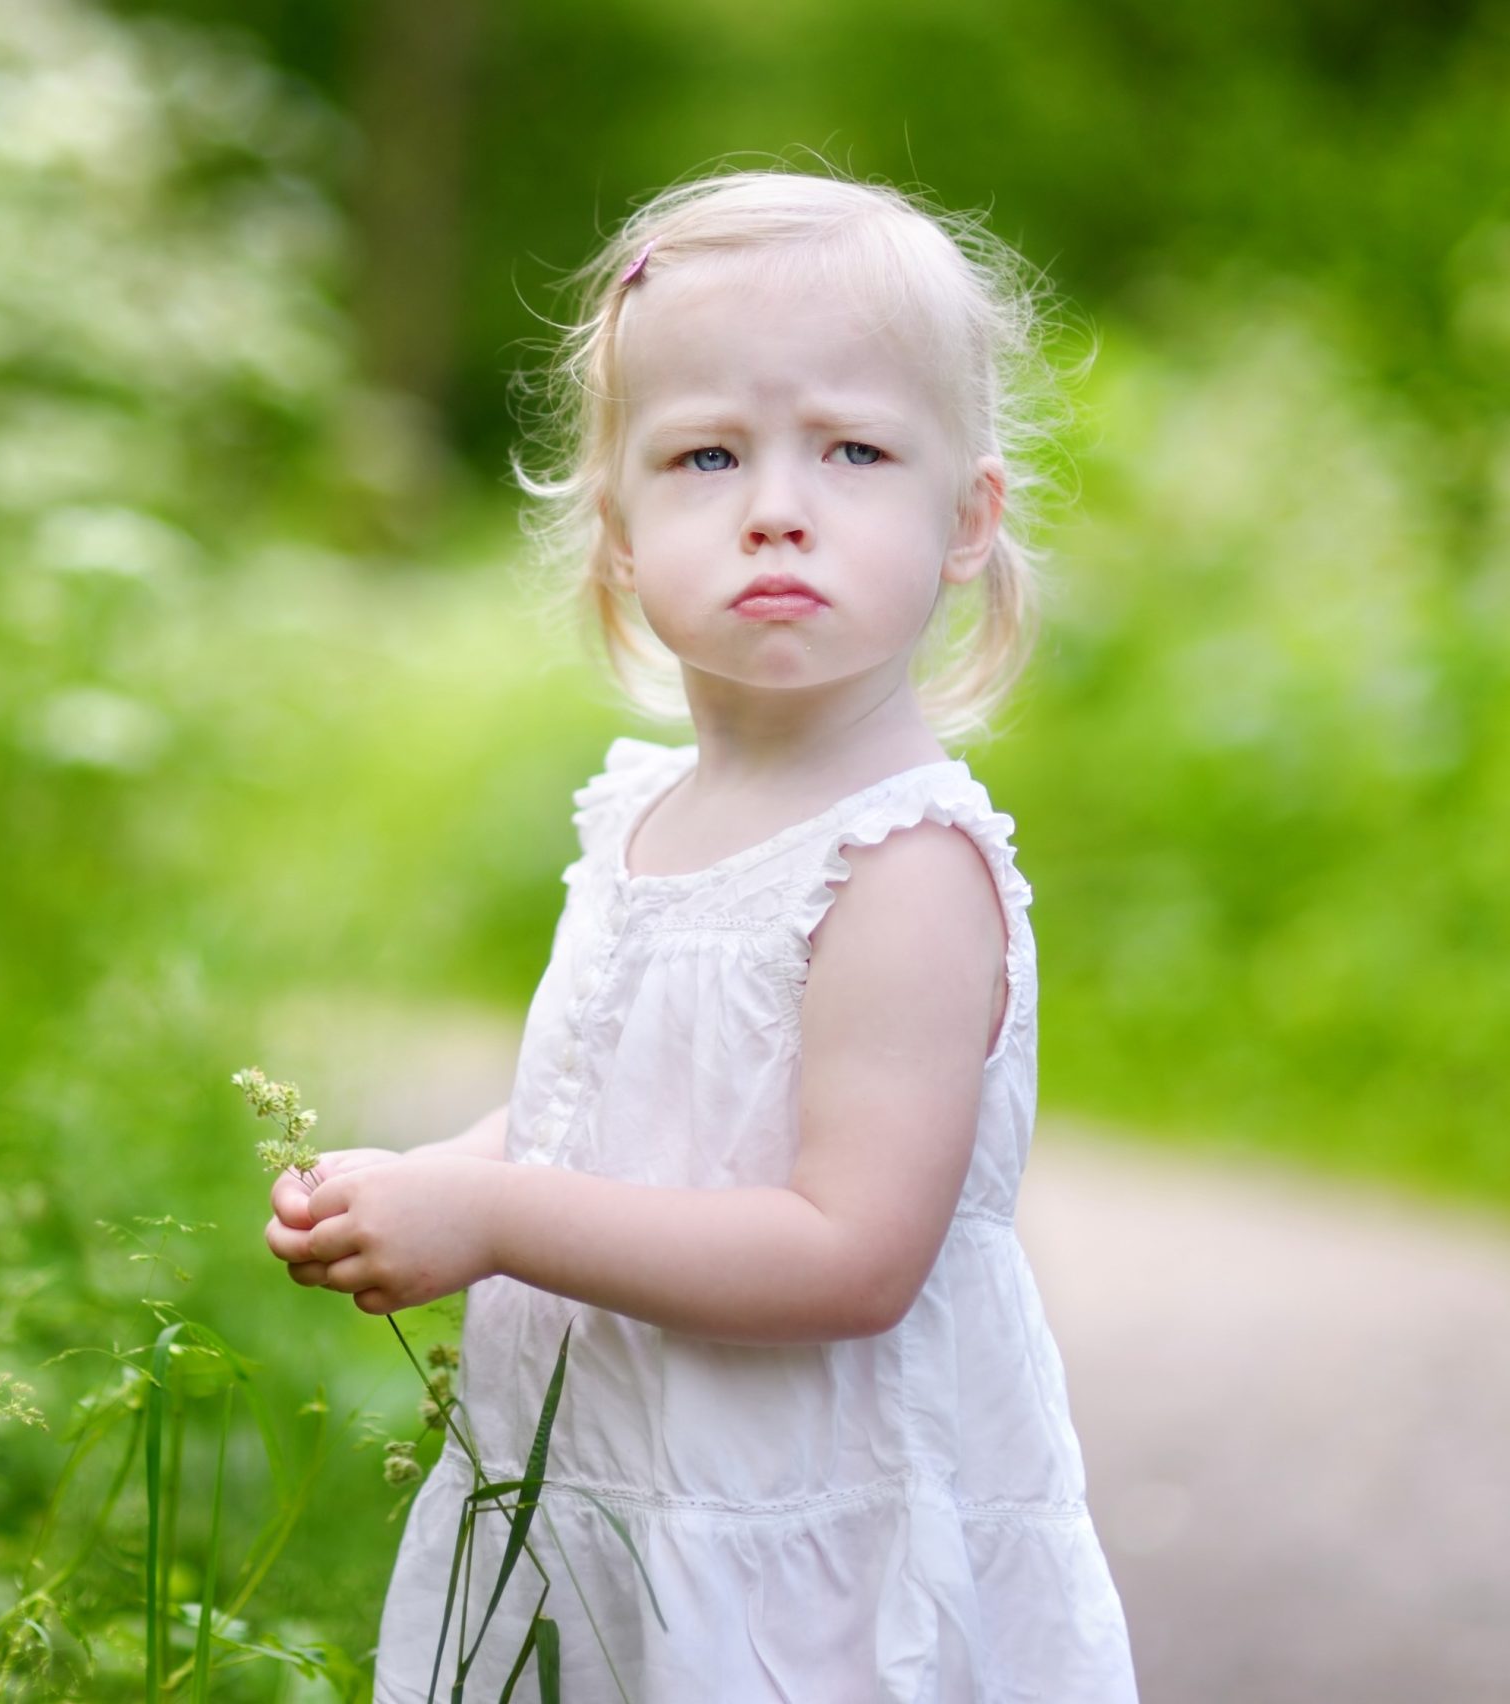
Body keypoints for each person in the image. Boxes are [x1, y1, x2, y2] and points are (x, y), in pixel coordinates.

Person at [261, 167, 1138, 1701]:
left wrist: (501, 1224)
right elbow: (610, 1109)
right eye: (708, 453)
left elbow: (849, 1254)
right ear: (614, 526)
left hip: (800, 1547)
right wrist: (441, 1179)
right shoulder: (644, 814)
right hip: (618, 1489)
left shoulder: (901, 868)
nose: (778, 505)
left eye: (856, 449)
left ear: (965, 520)